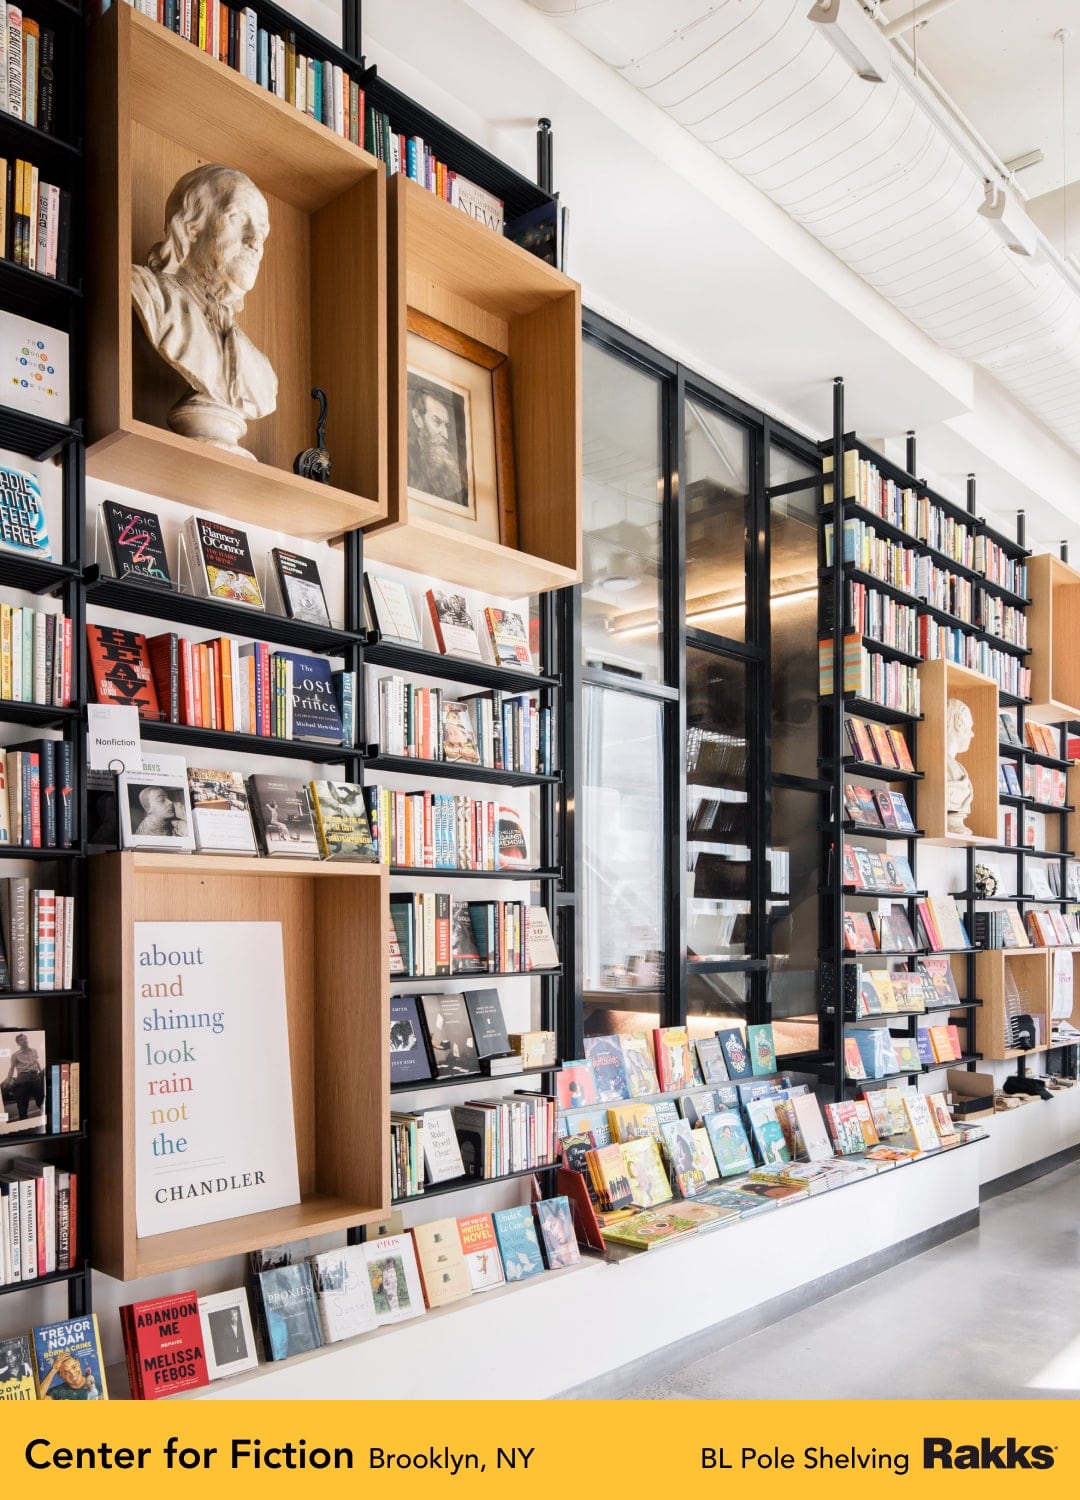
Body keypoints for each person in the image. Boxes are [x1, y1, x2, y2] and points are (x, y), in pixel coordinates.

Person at [131, 163, 277, 458]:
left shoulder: (263, 375)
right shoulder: (145, 292)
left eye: (261, 232)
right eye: (238, 218)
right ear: (190, 228)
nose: (254, 241)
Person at [407, 380, 467, 506]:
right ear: (418, 419)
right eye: (437, 422)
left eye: (446, 425)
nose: (445, 435)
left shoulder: (450, 466)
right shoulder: (405, 458)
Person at [5, 1034, 43, 1122]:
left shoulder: (34, 1051)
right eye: (21, 1040)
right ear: (18, 1043)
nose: (25, 1040)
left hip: (35, 1077)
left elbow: (37, 1062)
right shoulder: (15, 1055)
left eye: (25, 1038)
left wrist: (41, 1073)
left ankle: (43, 1122)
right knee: (22, 1105)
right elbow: (11, 1068)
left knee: (41, 1101)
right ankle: (24, 1125)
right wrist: (8, 1081)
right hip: (22, 1078)